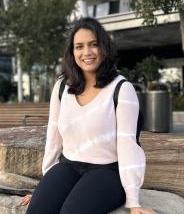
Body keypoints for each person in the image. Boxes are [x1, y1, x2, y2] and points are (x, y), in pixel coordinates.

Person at [20, 17, 155, 214]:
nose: (86, 52)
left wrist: (133, 201)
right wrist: (46, 188)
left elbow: (128, 145)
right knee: (38, 210)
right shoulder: (62, 87)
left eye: (93, 45)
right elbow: (54, 136)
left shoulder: (121, 88)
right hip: (69, 167)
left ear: (104, 48)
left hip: (108, 172)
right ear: (72, 52)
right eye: (79, 47)